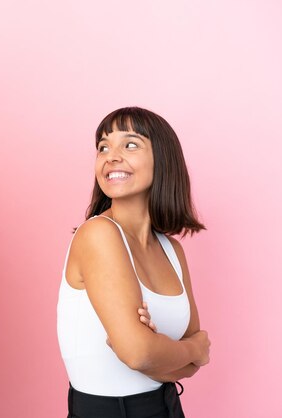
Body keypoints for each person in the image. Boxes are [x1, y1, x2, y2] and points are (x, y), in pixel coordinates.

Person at [57, 107, 211, 418]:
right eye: (103, 147)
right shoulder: (98, 233)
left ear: (163, 160)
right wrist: (189, 350)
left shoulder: (172, 250)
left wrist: (159, 351)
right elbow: (141, 353)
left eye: (130, 144)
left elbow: (185, 366)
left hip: (167, 406)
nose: (110, 156)